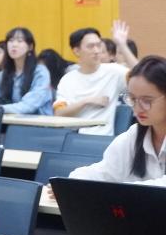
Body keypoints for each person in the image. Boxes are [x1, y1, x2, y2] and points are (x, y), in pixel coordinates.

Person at [64, 55, 166, 185]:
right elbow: (105, 172)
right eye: (132, 99)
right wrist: (68, 184)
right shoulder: (133, 136)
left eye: (147, 101)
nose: (137, 107)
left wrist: (125, 191)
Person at [53, 28, 128, 136]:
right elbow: (59, 113)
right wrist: (87, 101)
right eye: (90, 46)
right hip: (73, 137)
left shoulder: (114, 72)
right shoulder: (67, 79)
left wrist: (123, 46)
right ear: (76, 51)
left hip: (102, 138)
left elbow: (144, 77)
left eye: (98, 45)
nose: (96, 51)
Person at [0, 27, 53, 116]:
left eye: (19, 41)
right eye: (11, 41)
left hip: (38, 122)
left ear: (30, 47)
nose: (14, 45)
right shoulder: (2, 75)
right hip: (10, 121)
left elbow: (29, 105)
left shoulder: (40, 72)